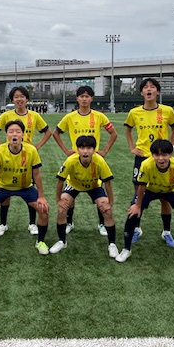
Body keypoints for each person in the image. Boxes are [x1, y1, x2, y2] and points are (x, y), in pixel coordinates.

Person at [115, 139, 174, 268]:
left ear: (171, 154)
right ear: (152, 155)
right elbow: (142, 186)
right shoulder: (146, 164)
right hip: (150, 190)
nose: (160, 158)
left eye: (164, 155)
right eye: (157, 155)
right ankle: (126, 249)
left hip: (171, 190)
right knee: (132, 214)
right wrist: (137, 205)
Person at [52, 85, 117, 236]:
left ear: (91, 98)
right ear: (77, 98)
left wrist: (104, 151)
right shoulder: (70, 117)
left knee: (99, 190)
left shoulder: (99, 116)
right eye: (81, 96)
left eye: (87, 96)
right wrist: (66, 150)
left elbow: (113, 133)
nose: (84, 99)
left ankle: (102, 224)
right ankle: (69, 222)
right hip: (76, 161)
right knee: (70, 192)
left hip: (93, 161)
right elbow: (56, 133)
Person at [0, 86, 52, 237]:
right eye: (16, 97)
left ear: (27, 99)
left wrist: (36, 147)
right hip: (9, 157)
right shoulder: (6, 115)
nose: (19, 99)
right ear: (12, 99)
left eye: (22, 96)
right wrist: (0, 146)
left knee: (30, 189)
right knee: (5, 190)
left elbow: (48, 132)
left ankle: (32, 223)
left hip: (27, 158)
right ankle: (3, 224)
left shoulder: (34, 116)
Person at [0, 120, 50, 256]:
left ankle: (40, 241)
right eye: (11, 132)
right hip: (3, 187)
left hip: (25, 187)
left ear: (23, 134)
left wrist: (41, 196)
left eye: (18, 131)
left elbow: (37, 175)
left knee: (43, 209)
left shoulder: (31, 150)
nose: (14, 134)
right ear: (6, 135)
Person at [123, 78, 174, 247]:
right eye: (145, 87)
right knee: (138, 193)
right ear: (141, 92)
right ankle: (137, 228)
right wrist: (132, 147)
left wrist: (172, 147)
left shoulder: (167, 111)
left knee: (165, 195)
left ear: (157, 91)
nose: (149, 89)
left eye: (152, 87)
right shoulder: (134, 112)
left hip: (161, 157)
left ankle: (166, 231)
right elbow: (128, 129)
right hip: (142, 158)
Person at [50, 136, 119, 258]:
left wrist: (110, 202)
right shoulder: (71, 161)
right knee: (61, 209)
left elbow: (107, 183)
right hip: (74, 185)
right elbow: (60, 180)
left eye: (89, 148)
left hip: (94, 186)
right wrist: (58, 200)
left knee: (107, 211)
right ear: (77, 149)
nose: (85, 151)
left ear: (94, 150)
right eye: (82, 148)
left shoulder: (100, 161)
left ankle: (112, 244)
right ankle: (62, 241)